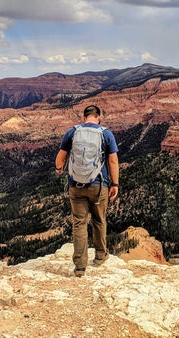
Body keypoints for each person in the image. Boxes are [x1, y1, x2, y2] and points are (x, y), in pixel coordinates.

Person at [55, 105, 119, 277]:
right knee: (99, 220)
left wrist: (59, 169)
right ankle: (100, 256)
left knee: (79, 224)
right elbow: (113, 161)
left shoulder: (72, 132)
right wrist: (115, 184)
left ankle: (80, 267)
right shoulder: (106, 134)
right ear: (99, 117)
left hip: (76, 186)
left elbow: (61, 157)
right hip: (99, 185)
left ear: (84, 118)